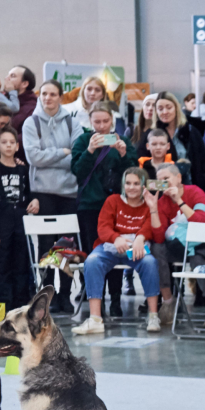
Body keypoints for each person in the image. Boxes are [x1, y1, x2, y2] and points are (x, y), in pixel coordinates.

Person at [73, 166, 168, 335]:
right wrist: (116, 237)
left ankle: (153, 315)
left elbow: (150, 228)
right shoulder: (113, 200)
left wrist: (140, 237)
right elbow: (102, 227)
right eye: (128, 183)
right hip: (111, 246)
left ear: (144, 185)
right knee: (92, 261)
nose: (131, 187)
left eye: (136, 183)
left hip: (136, 248)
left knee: (150, 262)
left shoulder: (149, 203)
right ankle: (95, 319)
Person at [71, 101, 138, 319]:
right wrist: (90, 150)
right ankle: (95, 299)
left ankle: (116, 300)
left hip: (116, 205)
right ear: (90, 122)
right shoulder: (82, 140)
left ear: (112, 120)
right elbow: (77, 171)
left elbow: (132, 172)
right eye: (97, 122)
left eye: (105, 121)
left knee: (115, 250)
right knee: (94, 253)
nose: (101, 126)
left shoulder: (122, 140)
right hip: (90, 205)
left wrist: (123, 154)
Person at [22, 79, 83, 313]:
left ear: (60, 96)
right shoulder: (31, 123)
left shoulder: (72, 122)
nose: (48, 98)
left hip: (69, 192)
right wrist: (62, 152)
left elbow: (76, 156)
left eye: (53, 94)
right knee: (46, 248)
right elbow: (33, 158)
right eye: (44, 94)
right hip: (43, 193)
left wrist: (54, 155)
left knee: (65, 247)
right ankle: (45, 298)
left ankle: (65, 296)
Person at [154, 161, 205, 326]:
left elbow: (201, 223)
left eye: (166, 178)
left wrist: (179, 201)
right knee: (157, 249)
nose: (163, 183)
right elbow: (159, 237)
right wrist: (153, 209)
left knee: (197, 259)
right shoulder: (162, 202)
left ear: (178, 178)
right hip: (180, 246)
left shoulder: (195, 192)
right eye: (159, 180)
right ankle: (168, 301)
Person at [0, 125, 37, 313]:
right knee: (1, 266)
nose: (8, 146)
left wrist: (35, 201)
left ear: (17, 146)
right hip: (1, 225)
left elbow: (30, 194)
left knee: (22, 265)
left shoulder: (23, 170)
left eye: (12, 142)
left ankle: (22, 310)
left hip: (22, 226)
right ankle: (5, 309)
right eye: (4, 142)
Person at [154, 91, 205, 190]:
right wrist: (166, 187)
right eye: (160, 109)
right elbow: (147, 181)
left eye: (169, 107)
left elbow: (204, 165)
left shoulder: (191, 131)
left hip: (190, 191)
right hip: (162, 196)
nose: (165, 112)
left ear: (176, 108)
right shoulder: (152, 135)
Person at [4, 65, 38, 135]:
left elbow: (27, 136)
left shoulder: (32, 108)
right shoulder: (2, 99)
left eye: (12, 76)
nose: (7, 79)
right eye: (8, 75)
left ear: (24, 84)